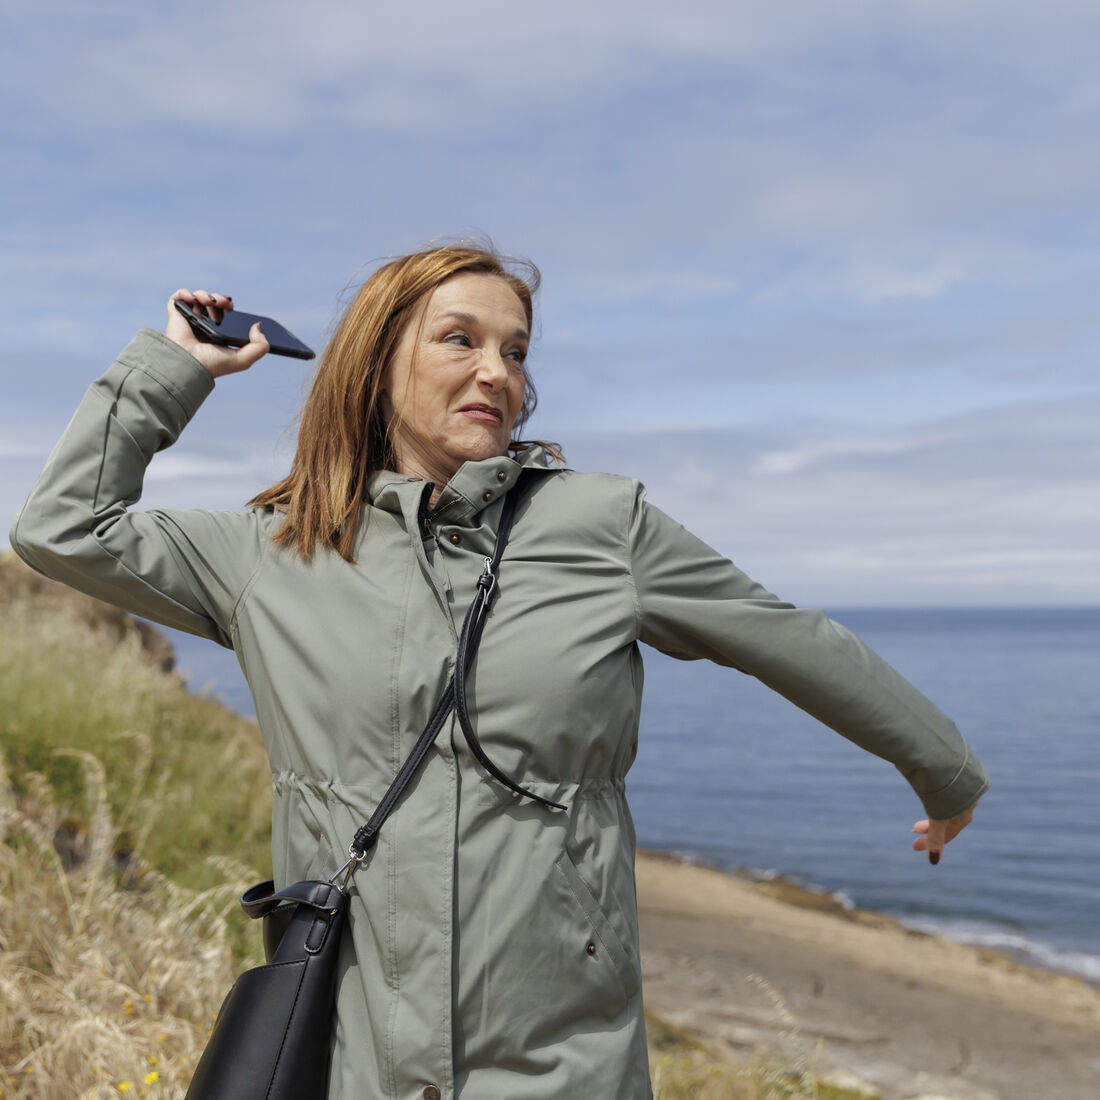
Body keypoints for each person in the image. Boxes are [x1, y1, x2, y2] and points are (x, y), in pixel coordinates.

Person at [9, 243, 988, 1100]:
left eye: (515, 349)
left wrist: (942, 770)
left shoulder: (601, 526)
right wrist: (175, 372)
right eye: (459, 339)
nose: (496, 371)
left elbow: (788, 637)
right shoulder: (271, 551)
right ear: (375, 357)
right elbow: (61, 529)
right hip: (351, 1049)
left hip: (559, 1054)